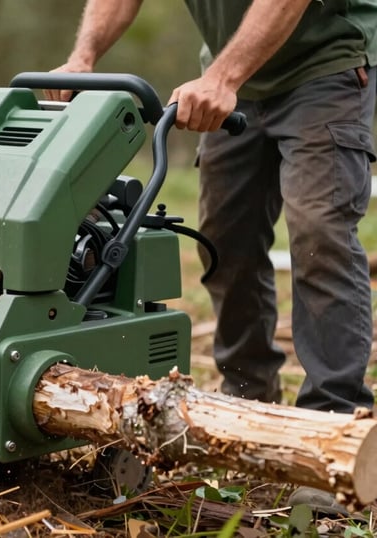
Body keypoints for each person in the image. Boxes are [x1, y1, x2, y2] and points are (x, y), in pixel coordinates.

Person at [47, 0, 377, 514]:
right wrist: (84, 57)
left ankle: (334, 432)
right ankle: (247, 408)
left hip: (322, 69)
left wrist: (224, 76)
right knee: (226, 240)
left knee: (318, 235)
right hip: (235, 77)